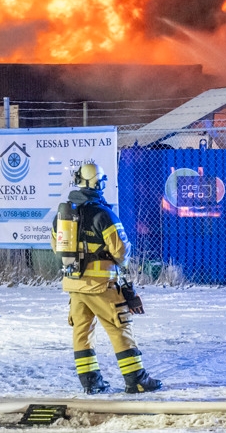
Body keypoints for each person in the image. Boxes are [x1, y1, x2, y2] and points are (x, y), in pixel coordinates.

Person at [50, 161, 161, 395]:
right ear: (98, 184)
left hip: (75, 287)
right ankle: (137, 380)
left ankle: (91, 383)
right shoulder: (103, 214)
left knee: (82, 332)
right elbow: (121, 251)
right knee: (119, 329)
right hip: (101, 286)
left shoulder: (62, 215)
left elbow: (56, 247)